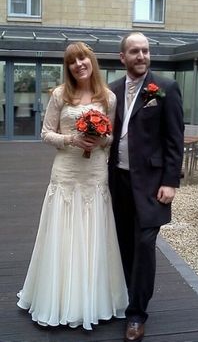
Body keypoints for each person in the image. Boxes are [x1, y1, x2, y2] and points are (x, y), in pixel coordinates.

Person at [17, 42, 128, 330]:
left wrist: (98, 139)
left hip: (94, 173)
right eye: (72, 61)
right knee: (62, 232)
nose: (79, 64)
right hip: (66, 171)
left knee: (93, 232)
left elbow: (111, 138)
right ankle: (57, 297)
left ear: (92, 61)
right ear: (67, 67)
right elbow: (45, 133)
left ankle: (92, 298)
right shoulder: (59, 95)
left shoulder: (109, 98)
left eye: (83, 58)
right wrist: (71, 140)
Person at [108, 32, 184, 342]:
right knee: (124, 244)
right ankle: (127, 295)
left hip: (152, 186)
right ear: (122, 57)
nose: (141, 56)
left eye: (146, 51)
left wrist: (170, 181)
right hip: (117, 182)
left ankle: (137, 314)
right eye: (135, 51)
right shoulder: (111, 91)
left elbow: (174, 138)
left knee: (143, 246)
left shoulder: (165, 88)